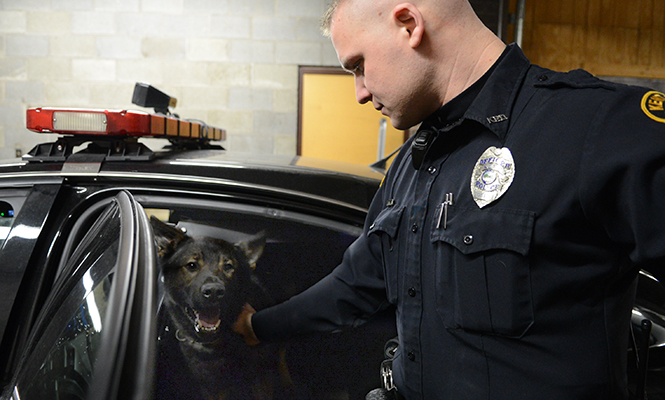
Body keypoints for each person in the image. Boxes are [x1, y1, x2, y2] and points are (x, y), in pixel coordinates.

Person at [234, 0, 665, 398]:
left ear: (408, 25)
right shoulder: (409, 166)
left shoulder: (598, 128)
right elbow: (355, 285)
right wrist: (257, 325)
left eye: (359, 65)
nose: (360, 92)